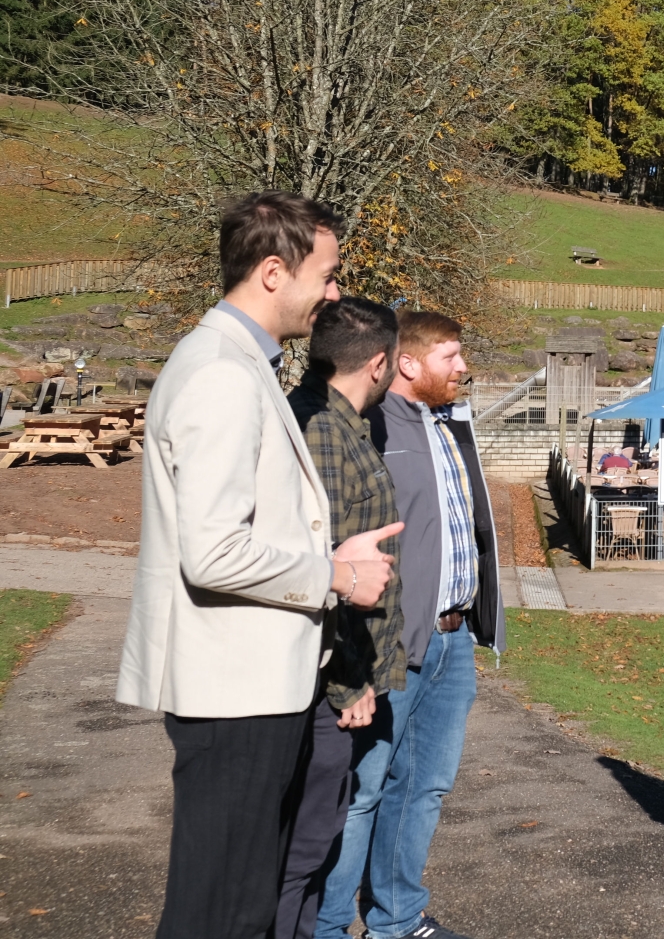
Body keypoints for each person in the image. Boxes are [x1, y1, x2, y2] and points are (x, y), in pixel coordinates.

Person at [116, 193, 400, 939]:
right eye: (329, 274)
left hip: (248, 683)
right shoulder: (222, 373)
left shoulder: (238, 363)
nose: (335, 293)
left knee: (235, 902)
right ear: (275, 272)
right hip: (235, 688)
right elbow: (214, 551)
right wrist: (334, 574)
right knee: (223, 911)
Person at [318, 309, 503, 939]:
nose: (463, 368)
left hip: (455, 642)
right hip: (390, 643)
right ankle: (330, 924)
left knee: (424, 789)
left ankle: (396, 920)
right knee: (364, 792)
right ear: (407, 363)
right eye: (450, 357)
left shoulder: (450, 425)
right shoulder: (367, 428)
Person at [277, 298, 407, 939]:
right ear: (379, 363)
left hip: (348, 674)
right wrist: (348, 681)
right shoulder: (322, 432)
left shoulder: (347, 422)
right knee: (303, 852)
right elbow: (317, 567)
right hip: (331, 683)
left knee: (315, 840)